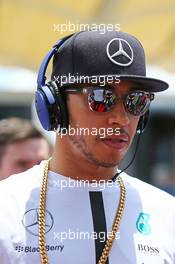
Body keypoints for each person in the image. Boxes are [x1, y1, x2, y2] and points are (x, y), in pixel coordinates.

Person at [0, 30, 174, 264]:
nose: (121, 119)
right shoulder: (6, 208)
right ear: (56, 107)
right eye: (102, 98)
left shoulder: (166, 214)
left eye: (137, 100)